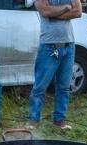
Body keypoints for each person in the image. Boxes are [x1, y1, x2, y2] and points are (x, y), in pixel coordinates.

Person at [26, 0, 82, 131]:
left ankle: (59, 121)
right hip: (49, 46)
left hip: (69, 46)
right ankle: (33, 121)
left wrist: (55, 13)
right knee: (40, 86)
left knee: (64, 87)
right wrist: (67, 7)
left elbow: (78, 12)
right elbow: (45, 11)